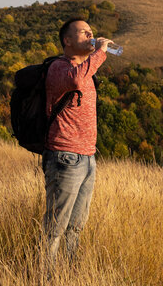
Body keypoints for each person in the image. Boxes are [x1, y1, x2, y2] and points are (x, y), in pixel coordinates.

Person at [42, 18, 111, 267]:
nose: (91, 35)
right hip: (65, 156)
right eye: (84, 33)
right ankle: (45, 278)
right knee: (55, 227)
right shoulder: (59, 68)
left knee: (76, 226)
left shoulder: (85, 70)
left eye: (92, 32)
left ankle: (70, 274)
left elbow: (83, 77)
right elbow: (74, 81)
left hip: (87, 157)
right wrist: (101, 52)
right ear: (67, 41)